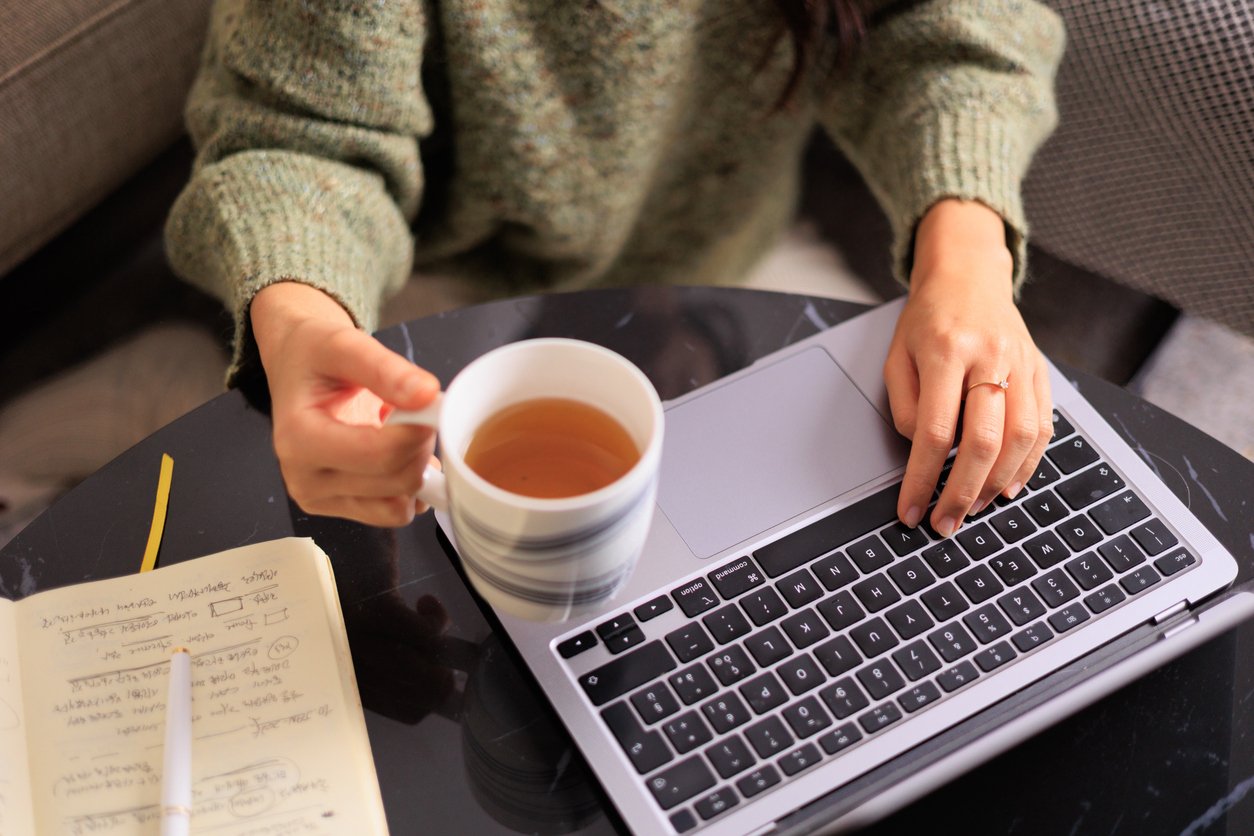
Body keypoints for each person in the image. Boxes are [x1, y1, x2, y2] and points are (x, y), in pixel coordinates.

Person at [165, 0, 1066, 535]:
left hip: (738, 256)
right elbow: (301, 136)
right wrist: (298, 317)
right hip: (430, 289)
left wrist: (969, 256)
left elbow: (949, 21)